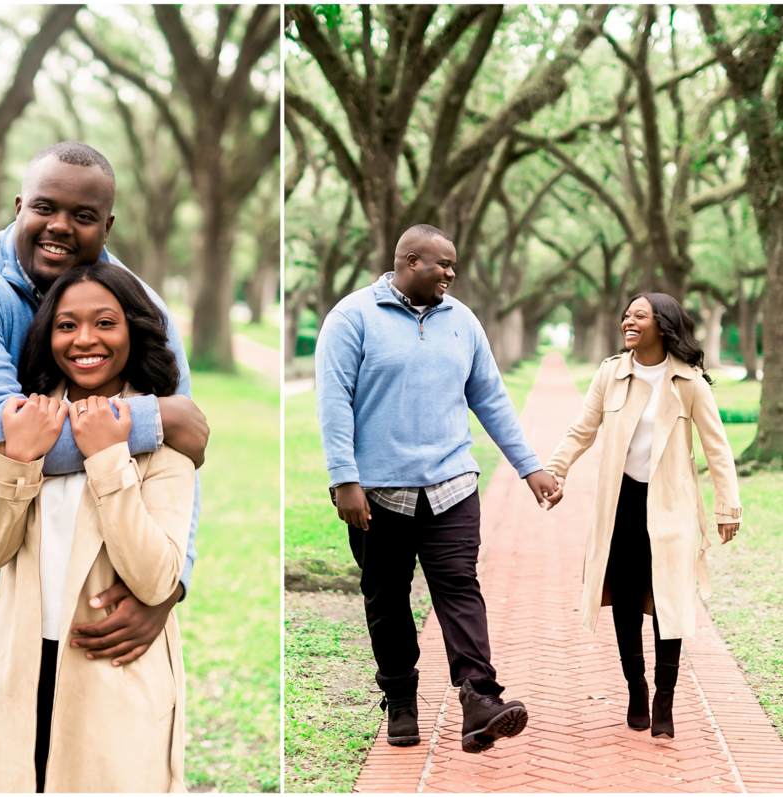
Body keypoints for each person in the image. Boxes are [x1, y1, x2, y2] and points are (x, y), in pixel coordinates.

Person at [0, 142, 209, 792]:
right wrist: (160, 419)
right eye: (45, 206)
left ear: (107, 225)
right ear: (19, 205)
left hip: (66, 593)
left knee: (57, 771)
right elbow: (10, 436)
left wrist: (169, 586)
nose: (60, 225)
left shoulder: (142, 310)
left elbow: (182, 471)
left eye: (83, 214)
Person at [315, 223, 560, 753]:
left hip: (451, 485)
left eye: (453, 264)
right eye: (441, 264)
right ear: (408, 262)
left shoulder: (462, 320)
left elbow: (490, 397)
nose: (451, 272)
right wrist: (345, 480)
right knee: (387, 600)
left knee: (459, 587)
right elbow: (333, 402)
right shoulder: (353, 316)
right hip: (377, 494)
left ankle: (480, 700)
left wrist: (529, 467)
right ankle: (401, 700)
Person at [0, 262, 194, 792]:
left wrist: (111, 457)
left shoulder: (164, 439)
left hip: (110, 670)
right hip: (23, 665)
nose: (84, 339)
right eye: (67, 325)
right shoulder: (28, 420)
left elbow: (157, 579)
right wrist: (18, 458)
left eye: (105, 322)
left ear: (133, 330)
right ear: (49, 335)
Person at [544, 293, 742, 739]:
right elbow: (583, 429)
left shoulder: (690, 382)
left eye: (639, 316)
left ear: (663, 325)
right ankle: (636, 689)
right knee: (627, 600)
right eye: (626, 315)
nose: (628, 321)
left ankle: (664, 698)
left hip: (672, 506)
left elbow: (717, 448)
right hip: (621, 505)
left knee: (670, 601)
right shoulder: (611, 374)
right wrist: (555, 470)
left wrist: (727, 506)